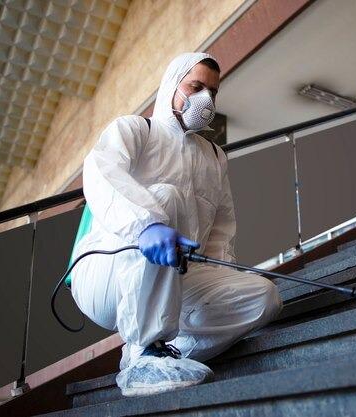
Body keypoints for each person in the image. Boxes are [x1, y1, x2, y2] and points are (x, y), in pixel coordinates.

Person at [69, 52, 283, 397]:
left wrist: (221, 278)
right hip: (106, 273)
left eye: (212, 92)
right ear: (172, 85)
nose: (206, 99)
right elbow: (99, 174)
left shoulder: (214, 158)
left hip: (174, 281)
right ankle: (144, 349)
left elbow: (221, 232)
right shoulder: (135, 130)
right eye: (196, 87)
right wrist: (145, 226)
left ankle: (164, 356)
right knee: (167, 198)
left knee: (263, 297)